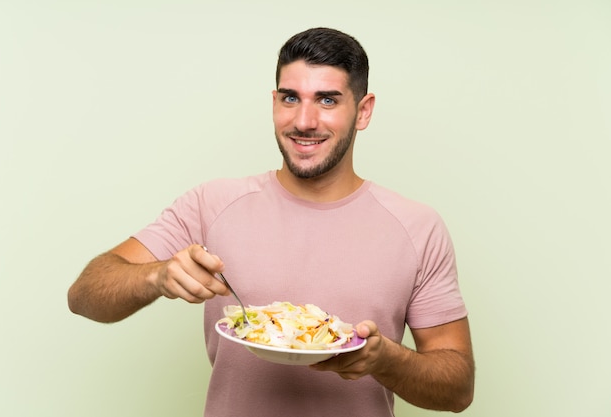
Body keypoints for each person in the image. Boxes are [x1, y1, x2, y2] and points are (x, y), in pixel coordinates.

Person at [68, 27, 475, 416]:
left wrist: (386, 360)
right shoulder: (212, 204)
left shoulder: (417, 227)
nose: (304, 121)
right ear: (274, 102)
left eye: (328, 100)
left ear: (363, 111)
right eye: (290, 98)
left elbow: (458, 389)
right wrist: (156, 277)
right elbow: (85, 294)